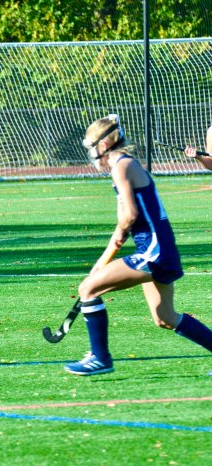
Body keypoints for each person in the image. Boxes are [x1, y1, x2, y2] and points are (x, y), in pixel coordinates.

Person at [65, 114, 212, 376]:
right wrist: (103, 260)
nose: (91, 154)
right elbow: (122, 222)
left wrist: (115, 245)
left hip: (154, 252)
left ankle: (100, 358)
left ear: (103, 144)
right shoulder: (121, 167)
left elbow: (129, 217)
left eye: (91, 147)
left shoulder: (121, 165)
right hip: (161, 250)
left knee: (87, 289)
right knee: (165, 318)